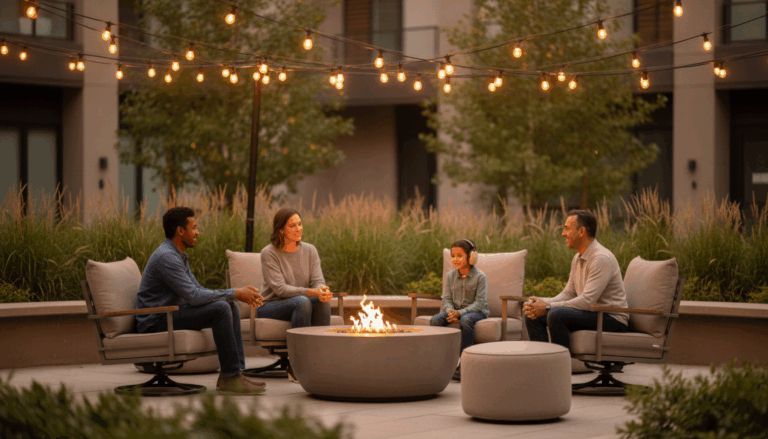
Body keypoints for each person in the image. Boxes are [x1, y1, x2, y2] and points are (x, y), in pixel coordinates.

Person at [135, 207, 266, 395]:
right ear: (180, 231)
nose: (197, 232)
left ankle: (236, 374)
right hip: (155, 321)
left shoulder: (177, 255)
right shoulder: (166, 257)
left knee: (229, 305)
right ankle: (230, 377)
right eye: (194, 227)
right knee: (222, 307)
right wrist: (234, 292)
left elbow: (198, 291)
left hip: (169, 314)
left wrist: (232, 295)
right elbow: (194, 296)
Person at [523, 209, 629, 350]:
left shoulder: (601, 258)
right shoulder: (578, 258)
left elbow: (586, 301)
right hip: (593, 314)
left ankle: (561, 366)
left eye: (567, 228)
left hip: (612, 319)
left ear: (581, 232)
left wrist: (547, 307)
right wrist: (540, 303)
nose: (563, 233)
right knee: (533, 314)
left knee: (556, 315)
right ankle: (541, 363)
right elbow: (569, 293)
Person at [256, 208, 333, 381]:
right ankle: (297, 365)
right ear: (281, 230)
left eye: (300, 224)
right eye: (292, 226)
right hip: (270, 305)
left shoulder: (310, 250)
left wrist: (321, 291)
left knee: (321, 302)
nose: (298, 229)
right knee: (303, 302)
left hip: (299, 300)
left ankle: (322, 361)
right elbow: (280, 289)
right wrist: (310, 292)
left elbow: (317, 280)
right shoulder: (269, 253)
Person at [430, 239, 489, 381]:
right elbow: (447, 298)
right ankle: (441, 364)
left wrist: (460, 313)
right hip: (455, 311)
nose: (455, 259)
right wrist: (450, 311)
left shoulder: (480, 277)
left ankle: (465, 366)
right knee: (435, 320)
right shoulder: (450, 276)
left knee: (467, 319)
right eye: (453, 256)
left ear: (471, 257)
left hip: (477, 312)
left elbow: (480, 303)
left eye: (459, 256)